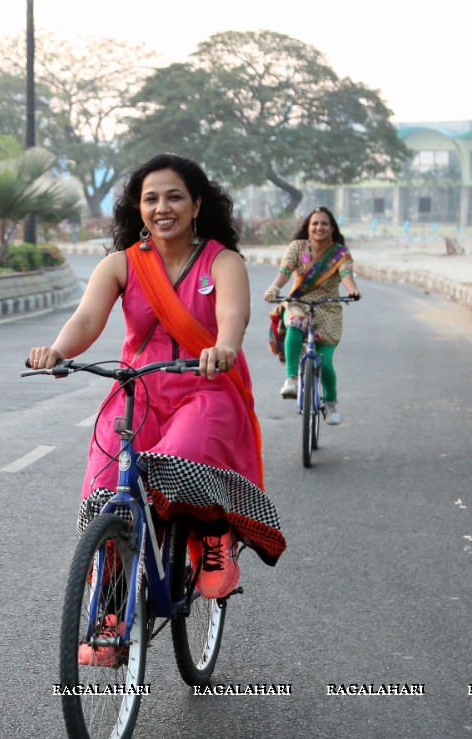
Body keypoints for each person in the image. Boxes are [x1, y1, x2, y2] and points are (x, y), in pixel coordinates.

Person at [27, 153, 284, 622]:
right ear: (138, 208)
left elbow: (233, 317)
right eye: (151, 199)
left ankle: (212, 537)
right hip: (137, 391)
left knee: (182, 460)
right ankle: (110, 603)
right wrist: (58, 350)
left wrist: (225, 347)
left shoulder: (222, 262)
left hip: (205, 387)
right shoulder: (121, 264)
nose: (162, 207)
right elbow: (86, 319)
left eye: (174, 197)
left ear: (197, 204)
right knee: (107, 489)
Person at [262, 207, 361, 425]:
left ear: (332, 228)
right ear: (307, 228)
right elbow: (285, 272)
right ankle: (291, 379)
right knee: (295, 324)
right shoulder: (297, 248)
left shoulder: (340, 253)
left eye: (324, 223)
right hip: (299, 302)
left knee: (325, 364)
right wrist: (274, 289)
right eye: (314, 223)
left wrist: (352, 290)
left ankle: (331, 404)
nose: (319, 227)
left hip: (329, 308)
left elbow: (346, 274)